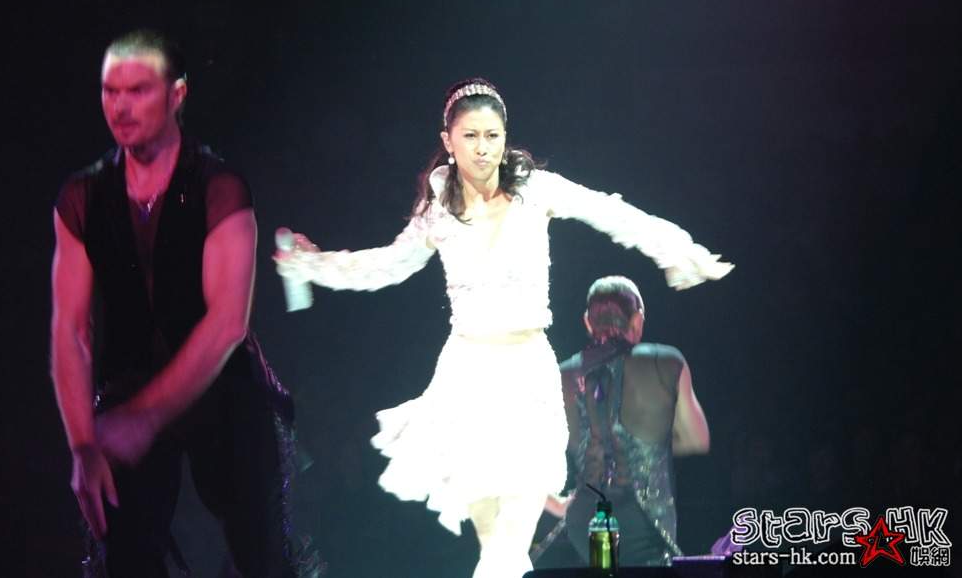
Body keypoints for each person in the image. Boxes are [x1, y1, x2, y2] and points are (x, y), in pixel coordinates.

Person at [274, 78, 731, 578]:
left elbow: (608, 211)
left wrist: (674, 248)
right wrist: (315, 265)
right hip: (466, 379)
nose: (483, 148)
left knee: (509, 543)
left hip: (526, 375)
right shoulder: (439, 211)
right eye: (470, 136)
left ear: (505, 137)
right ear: (448, 140)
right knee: (500, 550)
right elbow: (386, 266)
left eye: (492, 136)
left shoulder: (536, 191)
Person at [51, 29, 321, 577]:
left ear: (177, 95)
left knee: (262, 554)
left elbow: (226, 323)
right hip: (128, 384)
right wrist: (82, 445)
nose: (120, 107)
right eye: (110, 91)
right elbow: (70, 329)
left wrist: (146, 419)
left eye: (138, 91)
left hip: (221, 383)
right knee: (124, 554)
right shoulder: (82, 196)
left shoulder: (220, 186)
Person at [555, 275, 710, 567]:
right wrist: (648, 447)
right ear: (637, 320)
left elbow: (524, 460)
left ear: (588, 322)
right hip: (643, 521)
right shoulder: (666, 362)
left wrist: (557, 503)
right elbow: (697, 439)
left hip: (584, 519)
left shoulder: (560, 376)